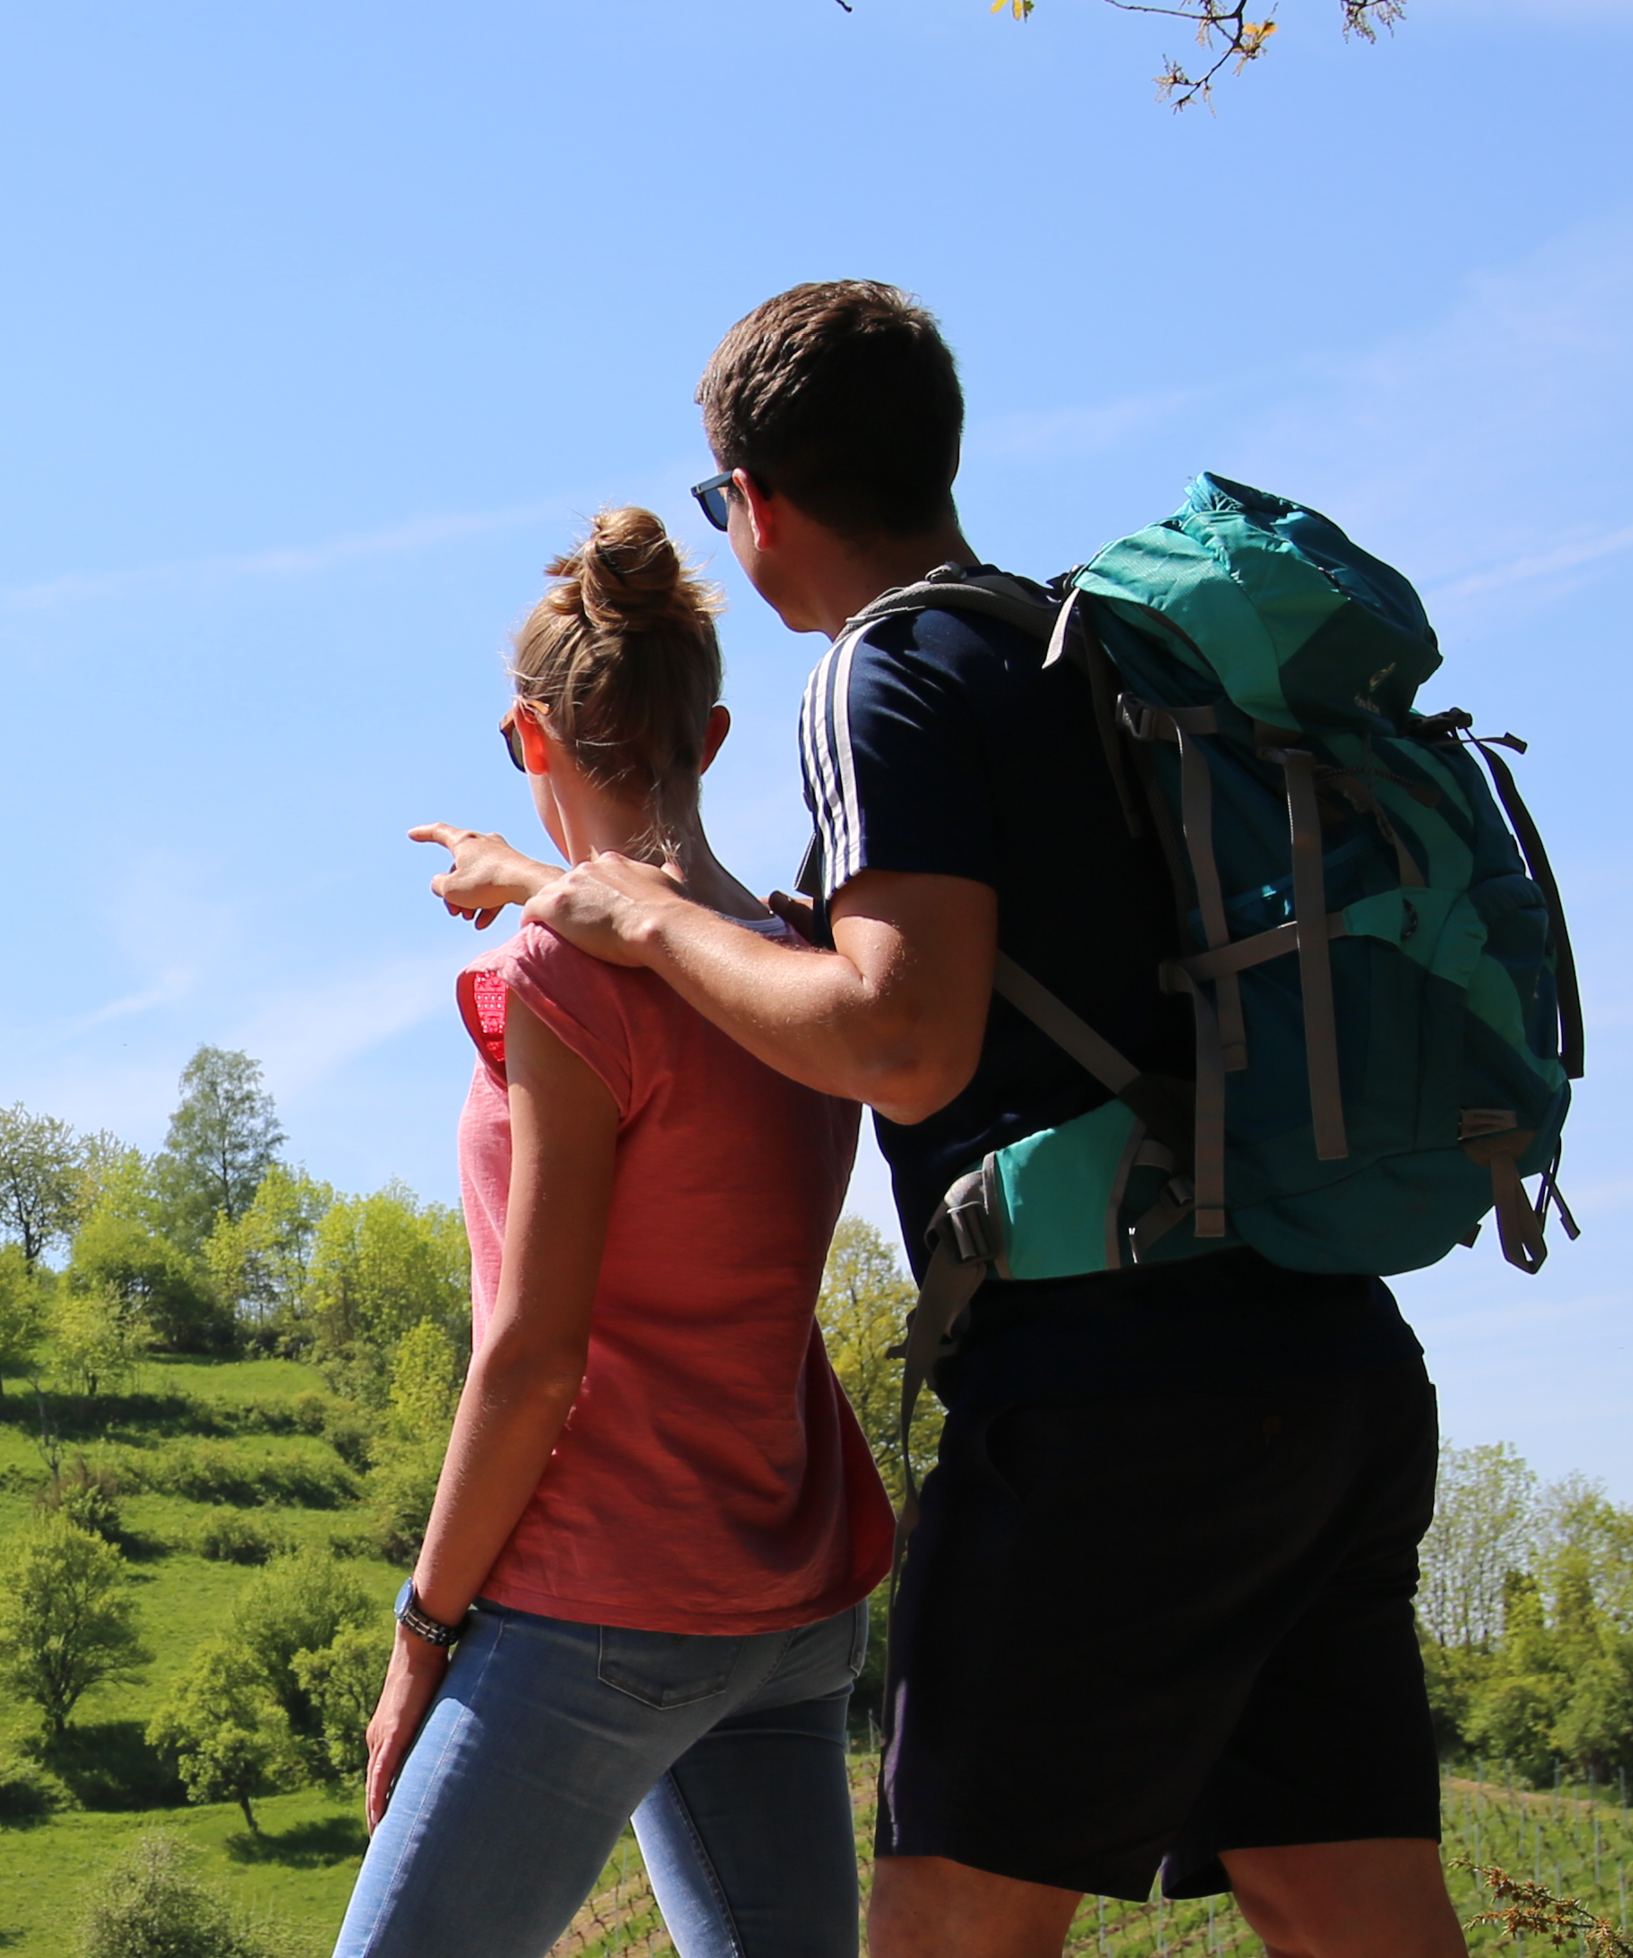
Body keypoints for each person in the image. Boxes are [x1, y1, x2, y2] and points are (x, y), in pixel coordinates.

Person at [424, 282, 1465, 1958]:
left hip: (1114, 1393)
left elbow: (900, 1037)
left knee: (945, 1932)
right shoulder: (1078, 650)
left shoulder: (885, 670)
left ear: (755, 502)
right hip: (1322, 1358)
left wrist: (641, 920)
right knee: (1352, 1907)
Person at [336, 507, 894, 1958]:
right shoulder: (798, 967)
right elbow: (653, 914)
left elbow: (533, 1358)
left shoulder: (562, 979)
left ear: (529, 736)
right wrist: (531, 875)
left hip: (605, 1600)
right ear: (710, 737)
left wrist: (423, 1630)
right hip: (789, 1603)